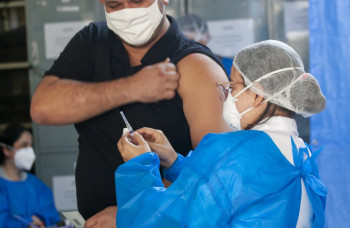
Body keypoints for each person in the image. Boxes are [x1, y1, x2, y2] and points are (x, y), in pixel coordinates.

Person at [30, 0, 230, 226]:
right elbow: (42, 108)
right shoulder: (92, 42)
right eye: (115, 4)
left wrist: (135, 213)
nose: (128, 12)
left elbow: (221, 184)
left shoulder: (196, 66)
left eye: (137, 0)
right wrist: (133, 87)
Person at [115, 40, 327, 227]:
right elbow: (228, 195)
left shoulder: (234, 152)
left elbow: (160, 221)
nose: (225, 97)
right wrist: (173, 162)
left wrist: (138, 167)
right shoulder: (303, 156)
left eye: (232, 87)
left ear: (257, 95)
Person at [0, 123, 60, 228]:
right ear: (6, 150)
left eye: (30, 145)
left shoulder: (35, 184)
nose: (29, 150)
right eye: (24, 145)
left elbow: (51, 213)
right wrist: (27, 223)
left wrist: (40, 220)